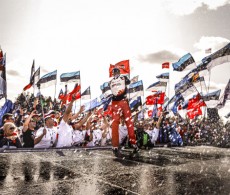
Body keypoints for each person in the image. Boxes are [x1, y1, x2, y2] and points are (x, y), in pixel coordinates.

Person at [109, 67, 138, 157]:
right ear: (112, 74)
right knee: (115, 123)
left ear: (119, 72)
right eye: (114, 72)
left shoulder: (123, 78)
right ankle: (115, 145)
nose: (116, 73)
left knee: (129, 121)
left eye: (117, 72)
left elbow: (129, 83)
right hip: (115, 102)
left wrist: (131, 79)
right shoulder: (110, 82)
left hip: (124, 101)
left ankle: (133, 142)